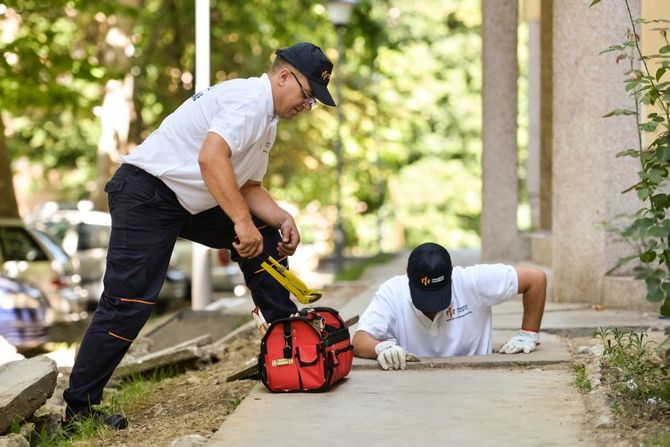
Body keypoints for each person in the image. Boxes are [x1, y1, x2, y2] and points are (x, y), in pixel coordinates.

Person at [62, 42, 337, 428]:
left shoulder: (267, 121)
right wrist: (240, 223)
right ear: (284, 76)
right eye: (307, 96)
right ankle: (78, 409)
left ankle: (287, 345)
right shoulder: (248, 101)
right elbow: (211, 159)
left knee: (265, 234)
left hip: (183, 201)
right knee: (129, 302)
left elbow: (248, 185)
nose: (306, 108)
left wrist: (281, 217)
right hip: (146, 192)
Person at [353, 242, 547, 370]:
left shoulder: (472, 281)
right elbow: (360, 339)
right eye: (424, 297)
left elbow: (535, 279)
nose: (431, 308)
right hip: (413, 389)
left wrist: (528, 335)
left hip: (477, 382)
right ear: (408, 275)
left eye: (437, 297)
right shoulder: (392, 291)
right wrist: (381, 348)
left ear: (452, 274)